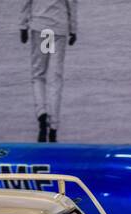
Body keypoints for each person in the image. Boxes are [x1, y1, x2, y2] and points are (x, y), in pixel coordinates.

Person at [19, 0, 77, 142]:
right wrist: (73, 29)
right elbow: (72, 4)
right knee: (56, 78)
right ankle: (54, 128)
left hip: (42, 29)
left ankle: (42, 114)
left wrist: (23, 25)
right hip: (58, 29)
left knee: (39, 75)